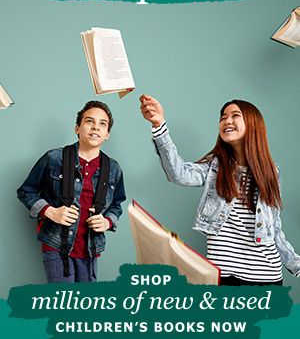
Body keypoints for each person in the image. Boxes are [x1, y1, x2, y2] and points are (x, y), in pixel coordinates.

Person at [140, 94, 300, 285]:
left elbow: (274, 227)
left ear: (253, 123)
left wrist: (296, 265)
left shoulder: (271, 172)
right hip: (222, 275)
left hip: (266, 276)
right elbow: (179, 173)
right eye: (223, 117)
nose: (226, 120)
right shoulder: (214, 168)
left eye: (235, 115)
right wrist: (159, 126)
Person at [17, 101, 126, 283]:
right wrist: (50, 211)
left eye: (102, 124)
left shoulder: (113, 168)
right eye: (89, 121)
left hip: (91, 249)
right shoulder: (54, 158)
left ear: (107, 135)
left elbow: (117, 204)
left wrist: (107, 222)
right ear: (77, 128)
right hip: (56, 244)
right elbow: (26, 191)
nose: (95, 128)